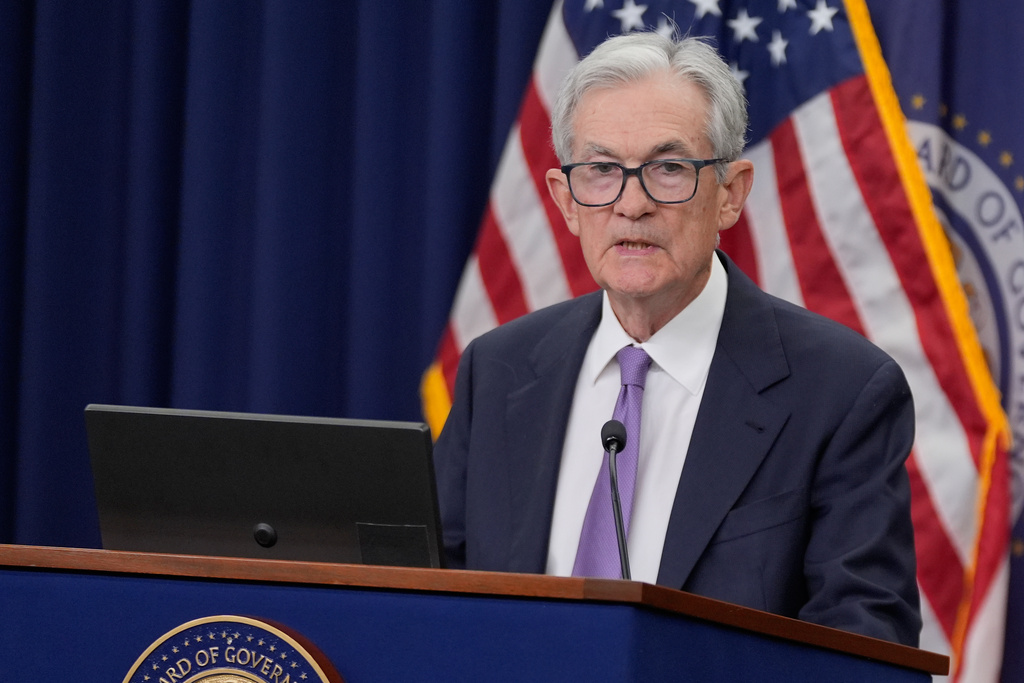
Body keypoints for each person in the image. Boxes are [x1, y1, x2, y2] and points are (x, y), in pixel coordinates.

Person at [432, 31, 921, 647]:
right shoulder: (499, 369)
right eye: (602, 170)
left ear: (730, 194)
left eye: (668, 169)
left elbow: (866, 642)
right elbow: (429, 596)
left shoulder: (842, 391)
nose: (631, 204)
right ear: (566, 200)